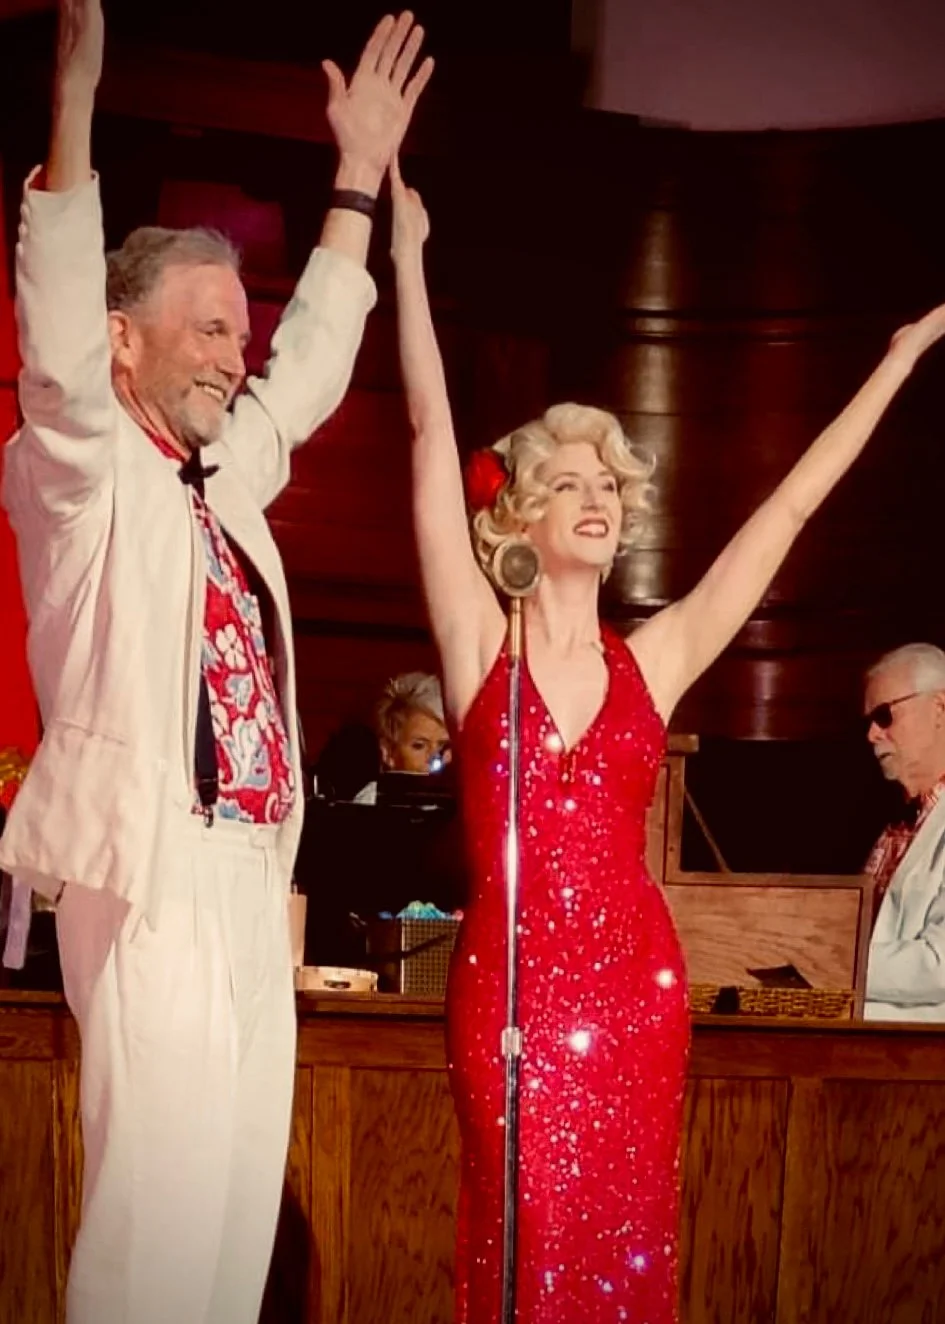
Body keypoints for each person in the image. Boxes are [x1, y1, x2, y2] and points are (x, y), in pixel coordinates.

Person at [388, 154, 945, 1321]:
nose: (601, 496)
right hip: (510, 992)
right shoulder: (474, 639)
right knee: (519, 1242)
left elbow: (788, 508)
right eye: (573, 480)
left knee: (623, 1260)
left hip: (637, 997)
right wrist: (403, 254)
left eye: (613, 483)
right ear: (522, 511)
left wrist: (896, 362)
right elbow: (433, 433)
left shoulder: (662, 655)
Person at [0, 1, 431, 1320]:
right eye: (202, 325)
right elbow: (57, 321)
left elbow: (309, 361)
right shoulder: (78, 467)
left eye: (234, 329)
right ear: (122, 338)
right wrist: (73, 118)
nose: (232, 352)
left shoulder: (223, 479)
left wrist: (354, 177)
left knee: (235, 1219)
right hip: (152, 865)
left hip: (255, 873)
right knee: (160, 1219)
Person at [862, 642, 945, 1021]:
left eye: (884, 716)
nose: (873, 735)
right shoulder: (898, 826)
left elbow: (938, 964)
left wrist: (826, 962)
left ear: (940, 710)